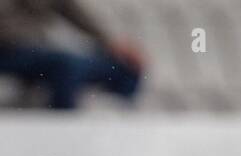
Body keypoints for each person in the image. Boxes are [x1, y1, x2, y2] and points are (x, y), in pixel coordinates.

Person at [0, 0, 144, 109]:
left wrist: (113, 43)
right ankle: (62, 125)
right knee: (67, 67)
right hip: (10, 52)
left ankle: (118, 119)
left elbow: (79, 15)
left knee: (124, 67)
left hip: (39, 51)